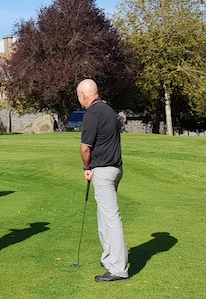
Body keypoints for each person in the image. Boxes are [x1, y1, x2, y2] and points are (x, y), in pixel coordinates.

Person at [77, 79, 129, 282]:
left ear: (84, 95)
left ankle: (118, 268)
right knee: (103, 217)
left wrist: (86, 168)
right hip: (116, 168)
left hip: (104, 171)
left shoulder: (92, 113)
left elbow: (85, 148)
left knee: (111, 218)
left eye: (79, 97)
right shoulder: (109, 110)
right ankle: (109, 257)